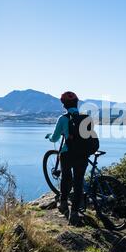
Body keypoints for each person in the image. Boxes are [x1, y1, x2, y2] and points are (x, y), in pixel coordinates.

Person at [45, 91, 89, 226]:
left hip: (67, 153)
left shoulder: (63, 118)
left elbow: (56, 137)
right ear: (77, 103)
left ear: (64, 105)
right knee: (79, 182)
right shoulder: (85, 118)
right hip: (83, 154)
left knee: (66, 177)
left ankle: (63, 204)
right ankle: (74, 213)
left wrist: (49, 137)